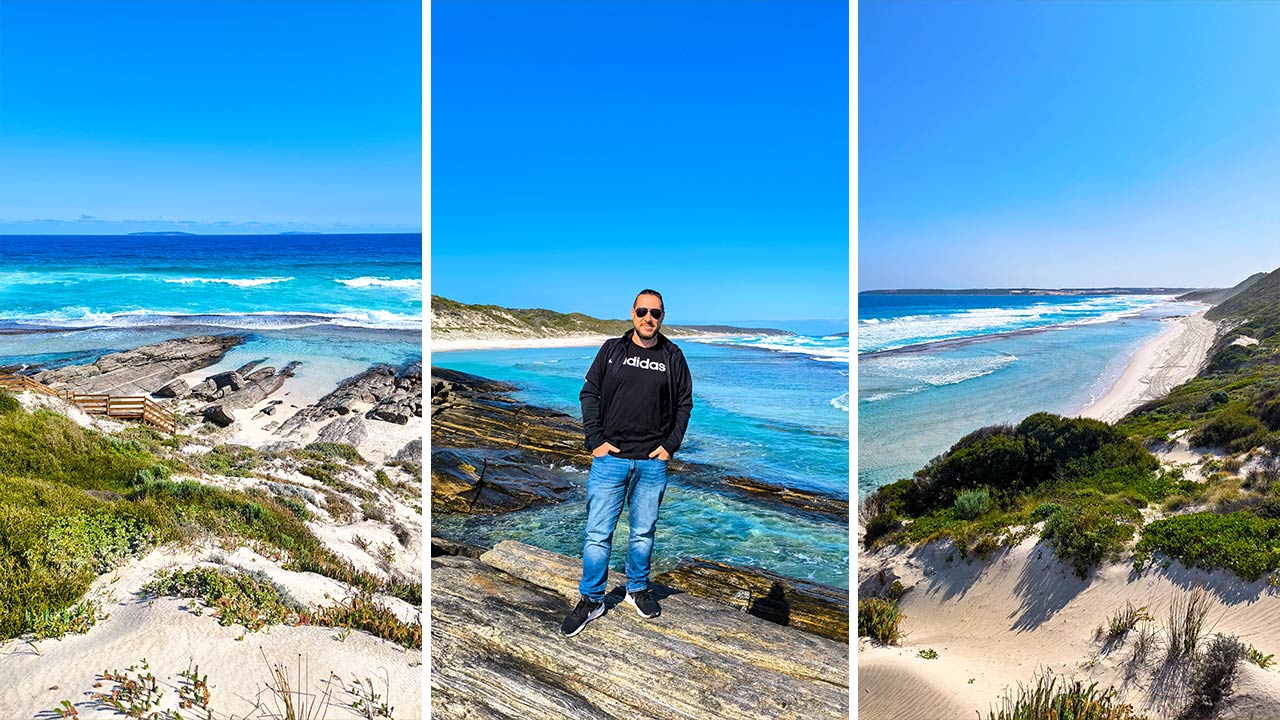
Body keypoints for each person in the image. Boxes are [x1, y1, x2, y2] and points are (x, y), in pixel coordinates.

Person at [560, 289, 694, 637]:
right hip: (610, 461)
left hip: (652, 463)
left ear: (663, 316)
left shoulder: (673, 356)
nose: (649, 318)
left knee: (643, 533)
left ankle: (636, 589)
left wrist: (670, 446)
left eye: (656, 313)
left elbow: (684, 405)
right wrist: (595, 441)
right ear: (632, 314)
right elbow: (589, 393)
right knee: (597, 535)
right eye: (642, 312)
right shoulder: (612, 350)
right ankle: (591, 599)